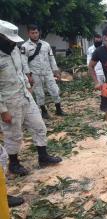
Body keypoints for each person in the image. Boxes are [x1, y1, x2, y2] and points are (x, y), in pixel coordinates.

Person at [0, 20, 62, 176]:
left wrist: (27, 85)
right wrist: (3, 110)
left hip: (25, 96)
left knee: (39, 126)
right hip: (9, 102)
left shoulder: (15, 50)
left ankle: (43, 157)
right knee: (14, 135)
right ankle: (14, 164)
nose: (12, 43)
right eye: (8, 40)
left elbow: (21, 71)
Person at [21, 24, 64, 119]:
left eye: (36, 32)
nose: (35, 35)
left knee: (55, 90)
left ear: (39, 32)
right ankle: (44, 111)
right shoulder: (25, 47)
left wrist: (56, 71)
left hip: (48, 72)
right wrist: (28, 76)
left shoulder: (46, 45)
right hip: (35, 73)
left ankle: (59, 109)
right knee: (39, 93)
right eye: (32, 33)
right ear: (28, 33)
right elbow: (24, 63)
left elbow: (51, 58)